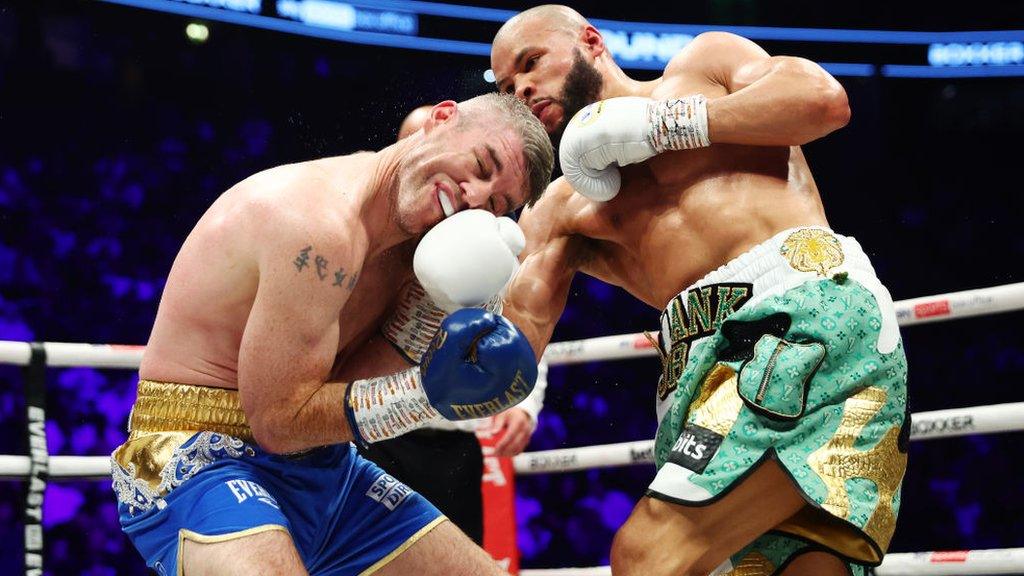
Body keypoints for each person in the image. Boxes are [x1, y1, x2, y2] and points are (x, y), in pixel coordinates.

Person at [491, 6, 908, 576]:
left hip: (805, 321)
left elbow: (824, 102)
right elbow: (512, 340)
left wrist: (666, 125)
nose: (524, 89)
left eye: (531, 63)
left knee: (646, 556)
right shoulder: (563, 209)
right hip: (698, 379)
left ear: (591, 41)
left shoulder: (702, 67)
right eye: (509, 87)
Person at [109, 92, 555, 576]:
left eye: (495, 203)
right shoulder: (317, 223)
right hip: (197, 460)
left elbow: (339, 396)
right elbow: (278, 422)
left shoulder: (418, 248)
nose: (472, 196)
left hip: (322, 466)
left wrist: (425, 318)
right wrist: (428, 393)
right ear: (442, 118)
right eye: (480, 164)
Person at [356, 105, 547, 545]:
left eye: (497, 197)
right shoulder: (366, 224)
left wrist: (524, 402)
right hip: (365, 429)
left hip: (452, 438)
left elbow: (524, 324)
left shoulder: (487, 246)